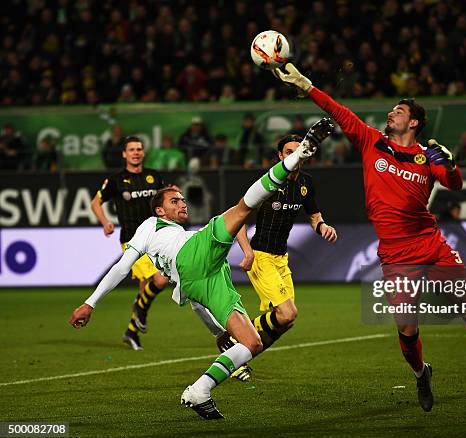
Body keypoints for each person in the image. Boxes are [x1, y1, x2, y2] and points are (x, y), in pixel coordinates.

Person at [273, 63, 466, 412]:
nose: (391, 113)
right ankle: (421, 373)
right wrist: (304, 84)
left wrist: (449, 165)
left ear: (414, 122)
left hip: (430, 243)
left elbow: (454, 184)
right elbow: (336, 109)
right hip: (395, 253)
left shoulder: (426, 156)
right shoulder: (371, 140)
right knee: (406, 328)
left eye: (399, 111)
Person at [69, 118, 334, 419]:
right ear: (159, 210)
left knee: (251, 343)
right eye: (174, 200)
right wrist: (90, 303)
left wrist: (216, 331)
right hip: (193, 259)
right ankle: (300, 154)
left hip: (202, 277)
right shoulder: (151, 226)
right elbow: (121, 267)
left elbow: (194, 297)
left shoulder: (186, 234)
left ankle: (199, 390)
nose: (182, 203)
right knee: (241, 208)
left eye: (182, 199)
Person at [199, 134, 338, 380]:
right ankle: (231, 339)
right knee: (287, 314)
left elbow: (314, 216)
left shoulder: (306, 183)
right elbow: (237, 217)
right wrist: (247, 252)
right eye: (289, 152)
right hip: (261, 256)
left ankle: (238, 357)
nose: (294, 155)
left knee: (286, 322)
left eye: (299, 150)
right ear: (281, 156)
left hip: (281, 259)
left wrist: (323, 227)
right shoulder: (269, 183)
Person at [91, 135, 169, 350]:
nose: (136, 152)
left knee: (148, 288)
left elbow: (166, 198)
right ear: (124, 154)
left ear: (143, 153)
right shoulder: (116, 180)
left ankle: (131, 331)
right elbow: (96, 202)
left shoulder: (154, 176)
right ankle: (137, 319)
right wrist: (105, 222)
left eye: (139, 149)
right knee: (159, 281)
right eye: (132, 149)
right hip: (132, 241)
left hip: (157, 238)